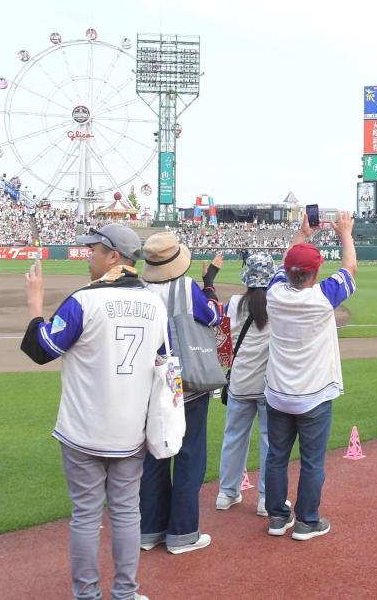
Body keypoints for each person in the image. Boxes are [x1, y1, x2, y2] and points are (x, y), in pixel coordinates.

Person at [20, 224, 167, 600]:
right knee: (126, 514)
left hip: (83, 430)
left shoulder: (84, 300)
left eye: (94, 250)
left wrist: (35, 307)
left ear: (113, 256)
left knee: (86, 516)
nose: (89, 256)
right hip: (132, 430)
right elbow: (163, 361)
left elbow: (42, 350)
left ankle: (87, 595)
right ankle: (125, 592)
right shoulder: (155, 302)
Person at [263, 211, 357, 541]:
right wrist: (345, 233)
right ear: (315, 273)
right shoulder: (322, 298)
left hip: (277, 392)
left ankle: (276, 518)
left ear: (288, 271)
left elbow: (286, 263)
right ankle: (306, 521)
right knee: (312, 462)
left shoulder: (273, 293)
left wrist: (302, 234)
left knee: (276, 457)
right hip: (314, 394)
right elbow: (349, 270)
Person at [139, 232, 221, 555]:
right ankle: (183, 532)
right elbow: (212, 316)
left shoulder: (140, 289)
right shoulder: (186, 288)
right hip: (185, 383)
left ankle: (150, 529)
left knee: (154, 454)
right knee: (189, 456)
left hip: (148, 384)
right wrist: (209, 285)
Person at [213, 253, 276, 517]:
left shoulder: (234, 304)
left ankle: (226, 493)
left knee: (233, 438)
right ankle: (265, 499)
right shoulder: (277, 303)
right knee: (269, 442)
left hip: (239, 382)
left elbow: (222, 345)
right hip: (268, 385)